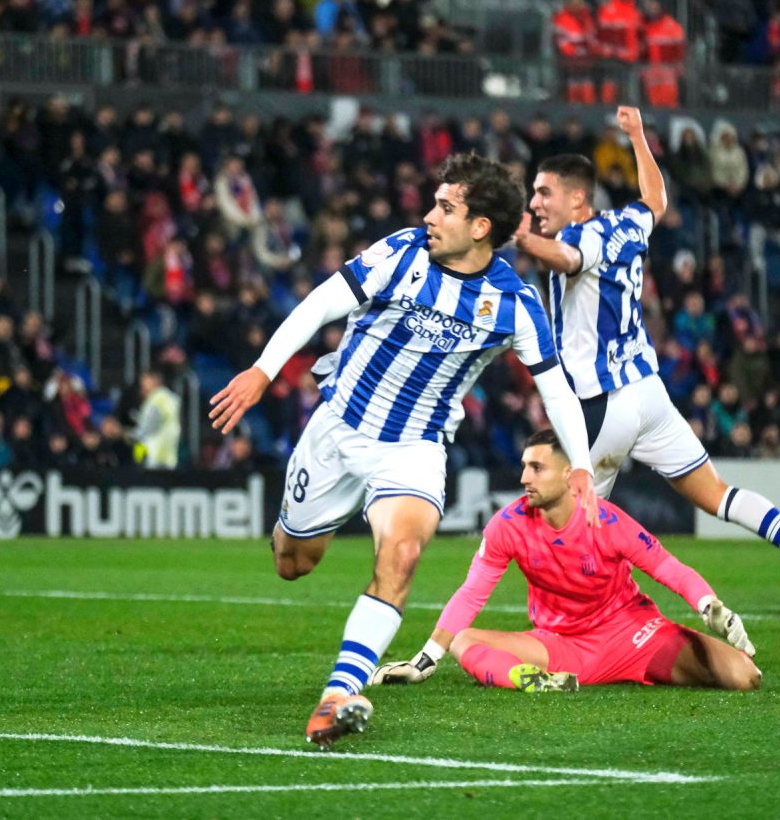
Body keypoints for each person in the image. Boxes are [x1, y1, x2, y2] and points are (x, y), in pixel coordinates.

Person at [209, 153, 597, 748]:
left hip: (413, 449)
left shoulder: (515, 303)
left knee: (405, 552)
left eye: (446, 207)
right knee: (293, 562)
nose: (429, 216)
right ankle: (298, 535)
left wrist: (585, 469)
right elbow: (320, 303)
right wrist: (264, 371)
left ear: (481, 227)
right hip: (338, 429)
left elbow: (557, 390)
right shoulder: (403, 254)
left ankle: (337, 696)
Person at [514, 106, 780, 616]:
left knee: (567, 523)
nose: (536, 202)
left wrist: (522, 239)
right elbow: (656, 198)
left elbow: (566, 259)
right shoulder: (627, 222)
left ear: (578, 198)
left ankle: (575, 627)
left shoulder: (577, 237)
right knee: (718, 493)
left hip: (598, 405)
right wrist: (637, 137)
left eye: (545, 193)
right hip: (647, 394)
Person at [373, 430, 761, 693]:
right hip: (560, 649)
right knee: (463, 641)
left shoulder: (605, 519)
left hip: (632, 636)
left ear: (567, 473)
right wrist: (425, 660)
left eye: (536, 468)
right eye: (525, 466)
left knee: (745, 676)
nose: (525, 477)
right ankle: (534, 680)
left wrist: (708, 603)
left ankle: (541, 677)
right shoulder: (508, 525)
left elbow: (666, 567)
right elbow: (473, 593)